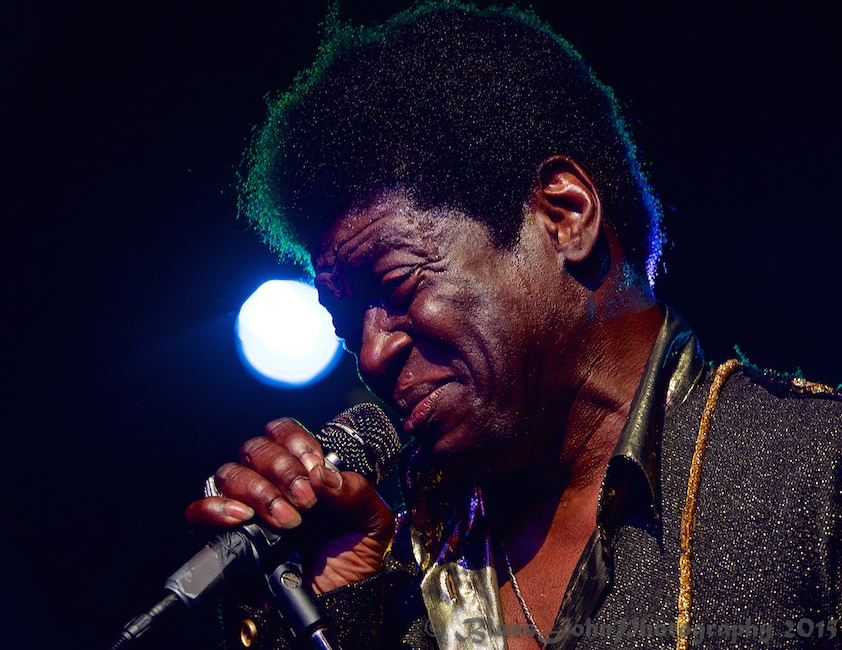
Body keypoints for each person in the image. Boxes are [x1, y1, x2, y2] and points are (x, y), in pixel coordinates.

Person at [185, 4, 841, 648]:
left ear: (564, 215)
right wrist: (336, 606)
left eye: (398, 285)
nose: (372, 353)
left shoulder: (812, 468)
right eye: (348, 327)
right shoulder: (398, 574)